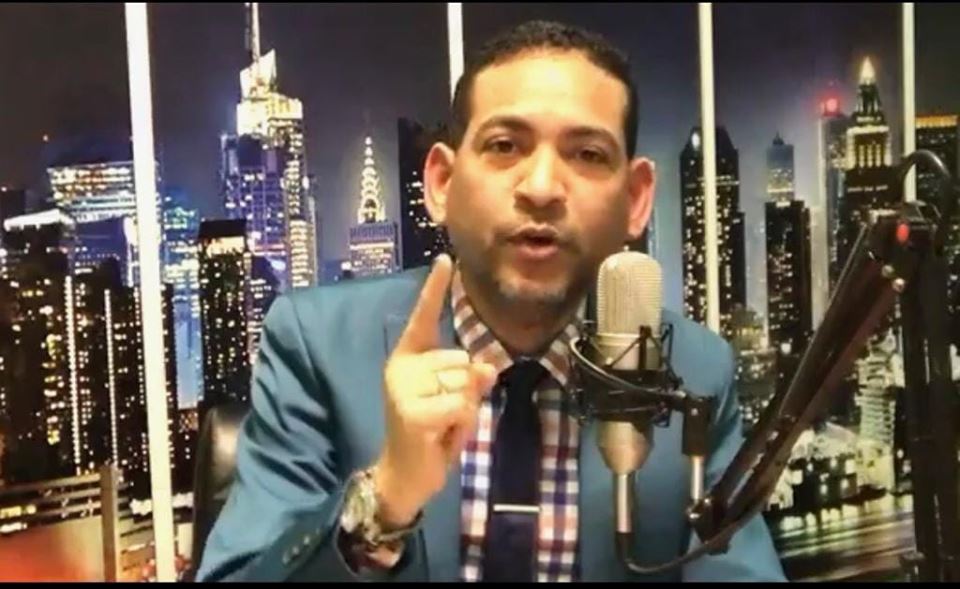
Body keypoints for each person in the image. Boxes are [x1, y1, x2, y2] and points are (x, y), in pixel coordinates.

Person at [196, 20, 786, 582]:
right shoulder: (317, 345)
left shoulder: (694, 371)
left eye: (587, 154)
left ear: (635, 200)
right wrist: (385, 499)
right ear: (441, 184)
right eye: (505, 146)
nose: (542, 188)